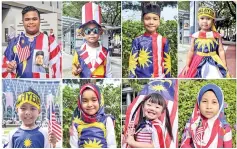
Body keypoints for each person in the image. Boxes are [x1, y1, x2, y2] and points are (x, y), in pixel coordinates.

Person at [2, 6, 61, 78]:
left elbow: (58, 69)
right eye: (27, 19)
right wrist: (9, 68)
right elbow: (3, 65)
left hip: (41, 87)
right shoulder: (15, 42)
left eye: (34, 19)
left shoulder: (50, 42)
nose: (31, 22)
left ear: (40, 20)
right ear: (23, 21)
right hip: (19, 86)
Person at [180, 7, 230, 78]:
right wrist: (187, 65)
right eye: (202, 18)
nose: (205, 21)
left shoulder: (217, 36)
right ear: (198, 20)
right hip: (197, 61)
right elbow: (191, 51)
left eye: (208, 19)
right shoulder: (195, 36)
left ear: (213, 21)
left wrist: (224, 65)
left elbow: (221, 50)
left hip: (214, 61)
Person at [128, 3, 171, 78]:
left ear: (159, 22)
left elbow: (167, 63)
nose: (151, 22)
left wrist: (169, 81)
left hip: (160, 79)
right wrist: (132, 78)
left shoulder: (164, 40)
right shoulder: (137, 40)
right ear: (143, 21)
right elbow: (132, 63)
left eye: (155, 19)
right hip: (142, 79)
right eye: (147, 18)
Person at [72, 2, 112, 78]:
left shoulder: (105, 52)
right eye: (88, 31)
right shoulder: (78, 51)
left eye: (95, 30)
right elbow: (74, 66)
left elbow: (108, 72)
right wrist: (75, 70)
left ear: (100, 32)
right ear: (83, 33)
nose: (92, 33)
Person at [70, 83, 116, 148]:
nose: (89, 104)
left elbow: (112, 145)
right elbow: (74, 146)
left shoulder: (107, 120)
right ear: (80, 103)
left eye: (94, 100)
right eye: (85, 101)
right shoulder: (75, 124)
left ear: (100, 101)